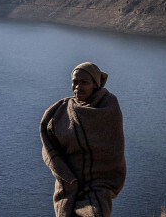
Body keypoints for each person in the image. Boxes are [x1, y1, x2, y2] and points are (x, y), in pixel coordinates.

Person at [40, 62, 126, 217]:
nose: (78, 86)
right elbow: (49, 144)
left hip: (99, 185)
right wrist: (65, 175)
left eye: (84, 82)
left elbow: (114, 151)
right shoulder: (62, 110)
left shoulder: (108, 107)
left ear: (95, 84)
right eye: (75, 82)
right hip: (68, 182)